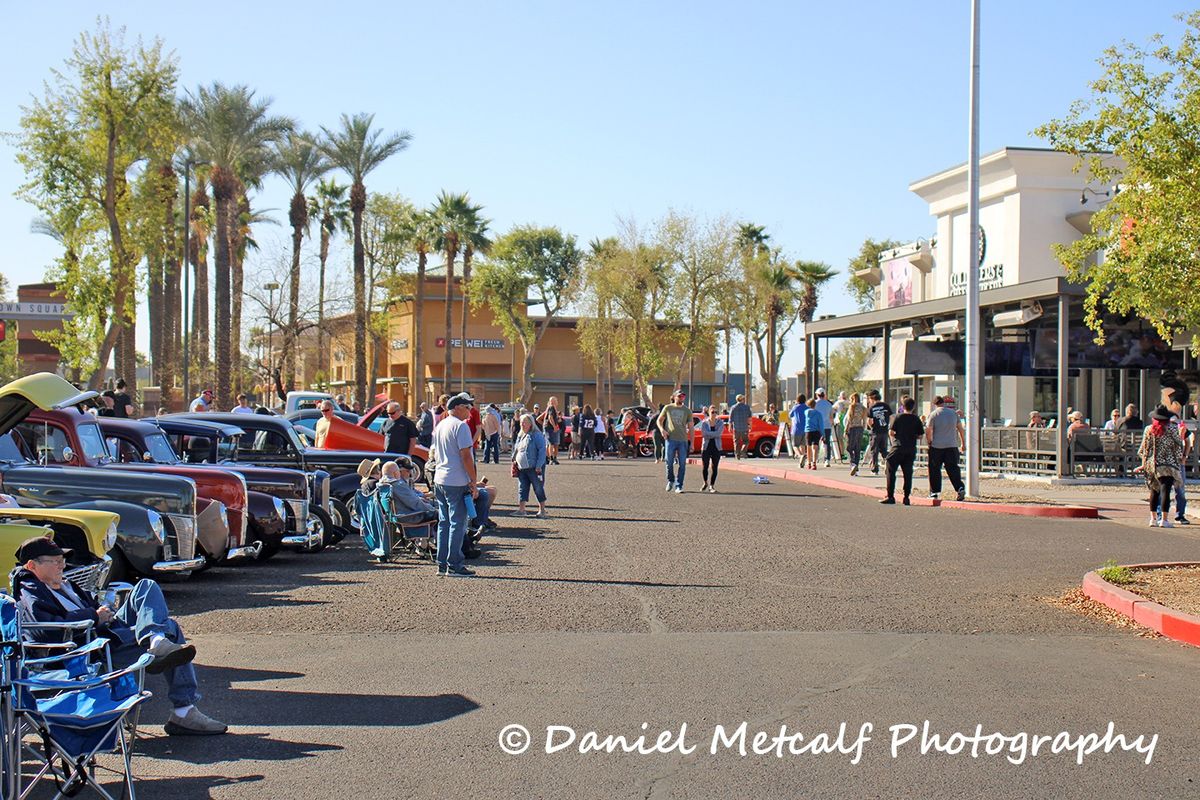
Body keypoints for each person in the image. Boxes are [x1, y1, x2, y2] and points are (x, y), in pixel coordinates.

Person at [13, 536, 227, 735]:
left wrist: (102, 611)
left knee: (146, 586)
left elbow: (90, 608)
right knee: (170, 628)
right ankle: (183, 708)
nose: (62, 565)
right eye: (55, 561)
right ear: (32, 565)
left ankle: (154, 639)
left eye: (62, 560)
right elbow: (46, 630)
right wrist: (94, 616)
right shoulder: (29, 590)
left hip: (106, 632)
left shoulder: (62, 584)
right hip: (89, 650)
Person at [430, 393, 480, 576]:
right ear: (458, 407)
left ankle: (442, 563)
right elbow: (466, 455)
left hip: (440, 478)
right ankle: (454, 565)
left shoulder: (442, 425)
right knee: (457, 524)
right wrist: (473, 480)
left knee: (444, 522)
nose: (469, 411)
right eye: (467, 407)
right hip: (456, 480)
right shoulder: (461, 427)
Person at [1137, 405, 1184, 527]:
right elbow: (1178, 446)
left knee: (1154, 491)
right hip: (1168, 466)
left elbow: (1144, 449)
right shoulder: (1172, 429)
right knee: (1166, 491)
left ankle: (1153, 519)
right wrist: (1180, 458)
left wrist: (1144, 464)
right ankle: (1164, 519)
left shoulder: (1148, 429)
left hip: (1153, 464)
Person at [880, 395, 924, 505]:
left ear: (902, 406)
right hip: (910, 448)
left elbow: (891, 432)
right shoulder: (916, 419)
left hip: (898, 447)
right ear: (913, 407)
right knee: (908, 473)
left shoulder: (897, 417)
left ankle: (890, 496)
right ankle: (906, 497)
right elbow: (920, 436)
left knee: (890, 470)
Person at [926, 395, 966, 501]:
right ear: (943, 402)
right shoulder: (953, 413)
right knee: (953, 469)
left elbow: (928, 430)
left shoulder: (933, 414)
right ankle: (960, 488)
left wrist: (929, 441)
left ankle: (934, 492)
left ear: (935, 404)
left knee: (934, 469)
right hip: (952, 445)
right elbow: (961, 429)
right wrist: (963, 443)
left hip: (937, 446)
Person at [512, 413, 548, 518]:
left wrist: (539, 465)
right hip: (522, 467)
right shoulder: (520, 435)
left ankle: (542, 510)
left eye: (525, 422)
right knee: (522, 488)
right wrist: (514, 460)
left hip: (534, 467)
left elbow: (542, 451)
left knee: (538, 487)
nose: (522, 424)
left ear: (531, 424)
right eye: (521, 422)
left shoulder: (537, 435)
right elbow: (516, 449)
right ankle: (521, 510)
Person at [657, 390, 694, 493]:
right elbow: (659, 420)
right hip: (670, 439)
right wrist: (662, 430)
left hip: (683, 440)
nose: (681, 398)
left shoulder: (687, 411)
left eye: (683, 396)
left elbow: (691, 427)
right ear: (674, 397)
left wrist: (692, 443)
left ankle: (679, 485)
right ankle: (671, 480)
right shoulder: (668, 408)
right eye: (679, 396)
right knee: (669, 462)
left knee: (682, 464)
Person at [699, 405, 724, 493]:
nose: (714, 414)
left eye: (715, 412)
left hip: (716, 447)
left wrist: (710, 434)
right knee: (705, 467)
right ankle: (705, 482)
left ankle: (712, 485)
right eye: (712, 412)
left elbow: (719, 434)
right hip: (706, 447)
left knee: (715, 467)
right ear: (708, 412)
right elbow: (704, 434)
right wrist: (714, 434)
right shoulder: (704, 423)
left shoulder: (720, 422)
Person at [866, 390, 892, 475]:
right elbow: (891, 417)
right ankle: (889, 465)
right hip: (884, 431)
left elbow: (870, 421)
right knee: (884, 450)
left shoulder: (872, 408)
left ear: (872, 398)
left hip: (875, 432)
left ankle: (875, 469)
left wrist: (871, 427)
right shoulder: (886, 406)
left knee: (874, 451)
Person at [845, 392, 868, 476]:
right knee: (857, 448)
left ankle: (853, 464)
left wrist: (845, 430)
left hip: (852, 428)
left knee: (849, 448)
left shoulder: (852, 406)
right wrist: (863, 429)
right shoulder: (863, 408)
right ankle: (856, 468)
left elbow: (849, 419)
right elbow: (864, 420)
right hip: (860, 428)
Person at [1174, 414, 1191, 525]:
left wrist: (1185, 456)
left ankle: (1180, 515)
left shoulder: (1181, 427)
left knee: (1180, 490)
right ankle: (1160, 515)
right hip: (1165, 462)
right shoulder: (1162, 427)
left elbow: (1187, 442)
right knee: (1161, 490)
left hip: (1179, 463)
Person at [814, 388, 835, 466]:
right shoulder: (829, 404)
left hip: (817, 426)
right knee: (827, 443)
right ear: (824, 395)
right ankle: (827, 460)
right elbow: (831, 416)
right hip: (827, 425)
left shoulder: (815, 403)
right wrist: (832, 423)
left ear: (817, 395)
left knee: (815, 443)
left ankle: (814, 459)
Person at [728, 394, 752, 460]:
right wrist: (750, 426)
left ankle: (737, 455)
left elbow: (730, 419)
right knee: (746, 441)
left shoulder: (733, 407)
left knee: (736, 442)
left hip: (736, 428)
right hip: (744, 428)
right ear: (742, 399)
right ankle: (743, 450)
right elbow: (749, 418)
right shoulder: (747, 407)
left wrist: (730, 427)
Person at [803, 398, 824, 469]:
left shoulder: (806, 412)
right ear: (815, 405)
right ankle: (814, 463)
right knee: (815, 447)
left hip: (808, 431)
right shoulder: (818, 414)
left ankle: (809, 463)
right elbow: (821, 424)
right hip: (816, 431)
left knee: (808, 447)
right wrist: (823, 434)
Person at [542, 398, 563, 465]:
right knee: (551, 443)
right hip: (550, 428)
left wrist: (558, 420)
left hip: (550, 428)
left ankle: (554, 458)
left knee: (555, 443)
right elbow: (550, 417)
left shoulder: (552, 408)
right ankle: (551, 459)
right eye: (556, 401)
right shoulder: (551, 407)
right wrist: (554, 426)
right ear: (553, 401)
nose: (557, 402)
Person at [787, 395, 807, 464]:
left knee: (795, 445)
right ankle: (803, 459)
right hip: (805, 429)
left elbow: (790, 415)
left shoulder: (795, 407)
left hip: (796, 429)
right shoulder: (807, 407)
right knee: (803, 445)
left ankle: (800, 455)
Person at [833, 391, 849, 461]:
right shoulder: (849, 403)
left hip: (839, 422)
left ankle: (840, 453)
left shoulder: (838, 402)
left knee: (839, 439)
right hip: (847, 422)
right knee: (845, 439)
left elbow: (832, 409)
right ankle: (845, 453)